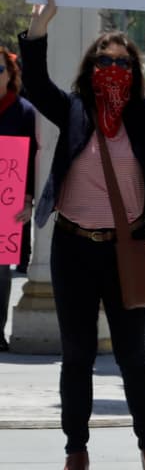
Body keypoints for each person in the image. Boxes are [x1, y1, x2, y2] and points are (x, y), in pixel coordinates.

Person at [21, 0, 145, 470]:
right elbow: (34, 81)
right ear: (89, 68)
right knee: (77, 356)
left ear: (133, 71)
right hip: (73, 249)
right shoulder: (73, 111)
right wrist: (39, 27)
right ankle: (76, 451)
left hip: (125, 250)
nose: (112, 67)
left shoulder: (142, 117)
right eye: (103, 60)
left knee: (134, 356)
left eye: (121, 61)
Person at [0, 47, 38, 353]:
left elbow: (32, 160)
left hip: (7, 204)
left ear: (11, 74)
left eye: (0, 69)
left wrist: (29, 200)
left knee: (0, 273)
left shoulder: (24, 111)